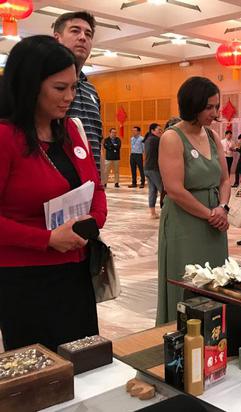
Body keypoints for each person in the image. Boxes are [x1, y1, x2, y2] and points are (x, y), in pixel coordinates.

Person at [0, 35, 107, 351]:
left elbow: (95, 188)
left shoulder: (71, 129)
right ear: (30, 86)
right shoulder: (6, 137)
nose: (69, 97)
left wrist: (93, 222)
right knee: (42, 376)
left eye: (73, 88)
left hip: (75, 271)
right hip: (25, 277)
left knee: (84, 358)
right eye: (59, 89)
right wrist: (46, 239)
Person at [156, 77, 230, 324]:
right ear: (192, 105)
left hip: (215, 220)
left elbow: (225, 180)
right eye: (209, 107)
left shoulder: (212, 136)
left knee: (215, 278)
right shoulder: (172, 137)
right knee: (186, 279)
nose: (215, 113)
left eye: (217, 107)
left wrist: (223, 208)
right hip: (185, 221)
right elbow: (174, 189)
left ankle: (214, 333)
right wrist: (210, 214)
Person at [54, 11, 103, 177]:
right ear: (57, 38)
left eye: (88, 34)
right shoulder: (44, 85)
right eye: (75, 31)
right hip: (59, 180)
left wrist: (100, 180)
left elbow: (97, 139)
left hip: (91, 183)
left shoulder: (91, 90)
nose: (83, 37)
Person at [144, 123, 163, 218]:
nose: (161, 131)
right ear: (152, 130)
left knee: (152, 190)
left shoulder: (148, 139)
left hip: (147, 168)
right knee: (163, 190)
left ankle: (152, 213)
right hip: (154, 169)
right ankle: (165, 212)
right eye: (158, 129)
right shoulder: (156, 140)